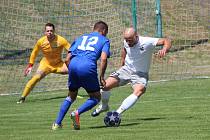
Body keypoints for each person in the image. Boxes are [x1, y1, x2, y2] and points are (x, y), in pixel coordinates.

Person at [91, 27, 171, 117]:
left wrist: (165, 49)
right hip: (126, 69)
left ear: (136, 36)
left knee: (139, 90)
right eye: (126, 40)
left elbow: (166, 40)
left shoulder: (146, 41)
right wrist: (122, 62)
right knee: (104, 86)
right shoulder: (126, 42)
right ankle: (104, 106)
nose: (128, 42)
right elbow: (124, 49)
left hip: (140, 74)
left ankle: (117, 114)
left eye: (130, 40)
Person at [52, 21, 110, 130]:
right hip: (87, 66)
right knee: (96, 97)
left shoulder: (81, 38)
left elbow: (67, 59)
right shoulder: (104, 40)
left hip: (73, 65)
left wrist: (73, 70)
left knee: (71, 96)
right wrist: (102, 77)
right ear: (103, 31)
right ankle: (77, 113)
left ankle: (57, 124)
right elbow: (103, 58)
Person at [17, 23, 70, 104]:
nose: (49, 32)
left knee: (74, 71)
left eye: (51, 31)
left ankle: (73, 93)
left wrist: (70, 60)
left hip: (59, 65)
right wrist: (30, 65)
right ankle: (22, 97)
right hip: (46, 65)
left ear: (54, 31)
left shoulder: (61, 40)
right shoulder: (41, 41)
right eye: (47, 31)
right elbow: (34, 52)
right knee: (35, 78)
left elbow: (71, 50)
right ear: (45, 32)